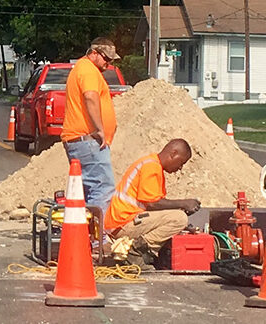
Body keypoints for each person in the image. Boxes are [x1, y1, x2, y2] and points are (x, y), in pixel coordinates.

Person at [103, 139, 200, 266]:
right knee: (179, 218)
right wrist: (183, 203)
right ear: (173, 153)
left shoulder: (153, 165)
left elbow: (154, 205)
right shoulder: (151, 167)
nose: (180, 168)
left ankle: (139, 252)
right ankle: (135, 252)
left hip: (122, 222)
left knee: (177, 217)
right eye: (181, 163)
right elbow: (152, 204)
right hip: (123, 224)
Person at [61, 37, 120, 216]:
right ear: (93, 53)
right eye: (106, 59)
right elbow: (90, 97)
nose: (108, 64)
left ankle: (85, 235)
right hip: (87, 141)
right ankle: (97, 238)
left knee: (89, 191)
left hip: (82, 141)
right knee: (103, 188)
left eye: (111, 61)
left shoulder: (84, 69)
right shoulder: (88, 70)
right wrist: (100, 129)